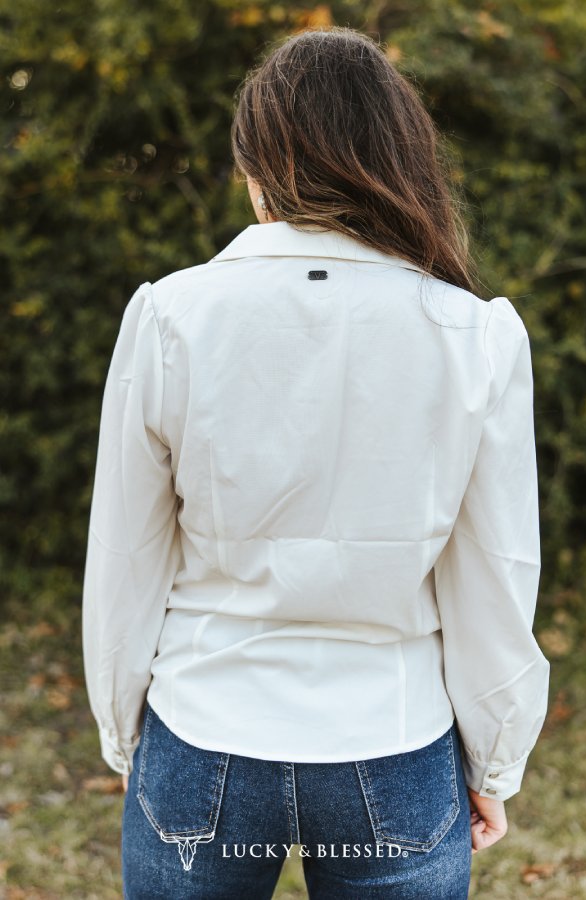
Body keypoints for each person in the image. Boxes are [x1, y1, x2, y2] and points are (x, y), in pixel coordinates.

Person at [82, 26, 550, 900]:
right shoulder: (473, 334)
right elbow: (495, 573)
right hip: (394, 737)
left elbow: (125, 556)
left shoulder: (170, 318)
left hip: (203, 727)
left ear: (256, 166)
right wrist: (495, 759)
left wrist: (122, 731)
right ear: (400, 159)